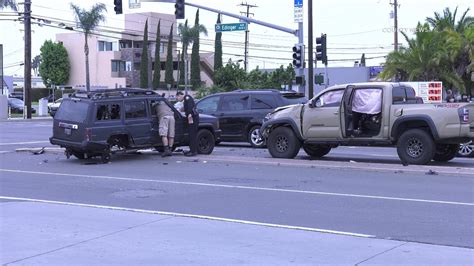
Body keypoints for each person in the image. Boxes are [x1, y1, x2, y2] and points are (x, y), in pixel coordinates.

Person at [176, 91, 199, 156]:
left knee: (192, 135)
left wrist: (189, 115)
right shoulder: (186, 99)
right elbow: (186, 107)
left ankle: (193, 152)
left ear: (179, 95)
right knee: (191, 135)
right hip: (193, 118)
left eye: (177, 98)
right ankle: (192, 150)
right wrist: (179, 110)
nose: (178, 100)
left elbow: (190, 107)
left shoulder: (187, 98)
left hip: (192, 119)